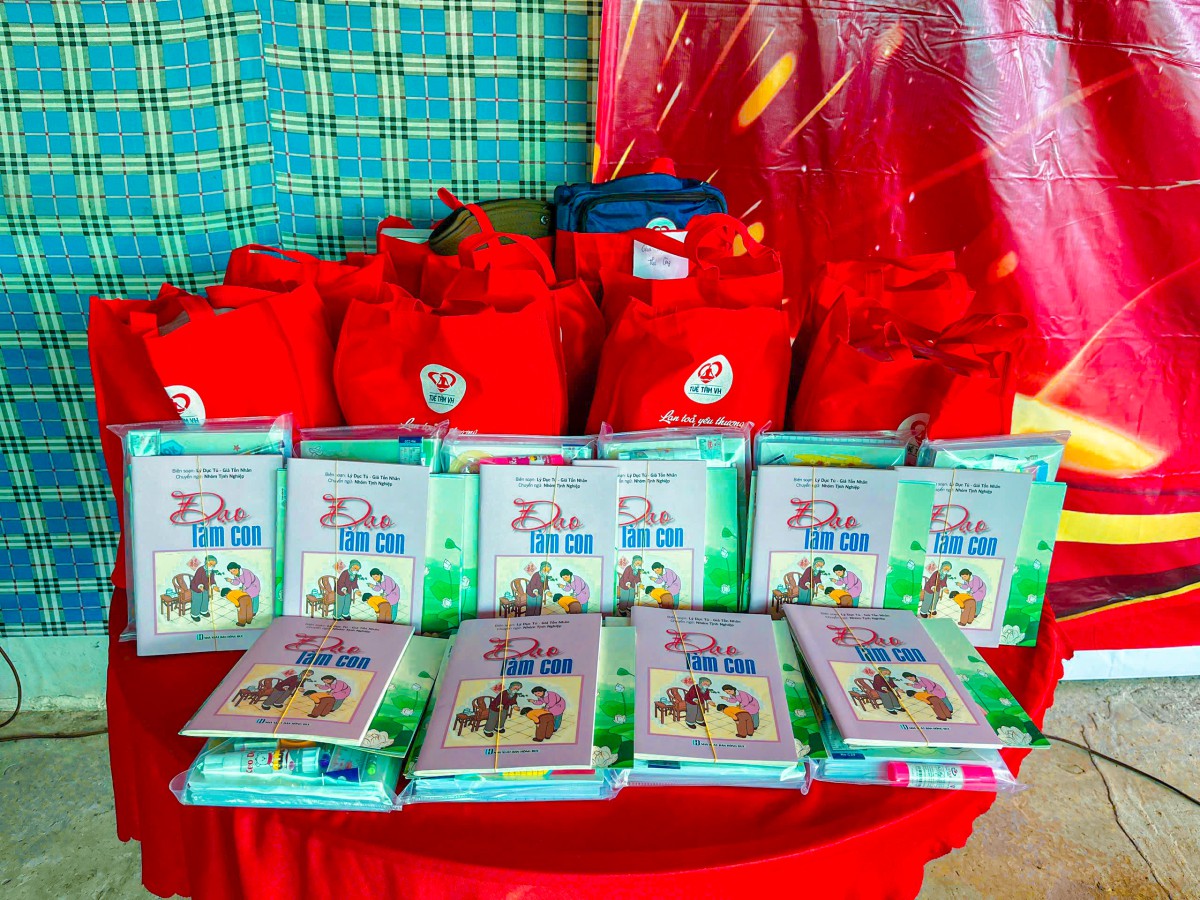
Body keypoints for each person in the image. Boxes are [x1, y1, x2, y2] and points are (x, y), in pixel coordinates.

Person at [189, 555, 219, 621]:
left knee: (205, 599)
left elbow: (212, 580)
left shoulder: (212, 571)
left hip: (205, 587)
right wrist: (200, 586)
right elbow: (197, 579)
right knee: (197, 600)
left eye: (214, 565)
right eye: (211, 564)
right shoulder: (200, 569)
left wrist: (214, 586)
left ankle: (203, 611)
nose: (212, 566)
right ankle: (195, 614)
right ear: (206, 562)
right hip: (196, 587)